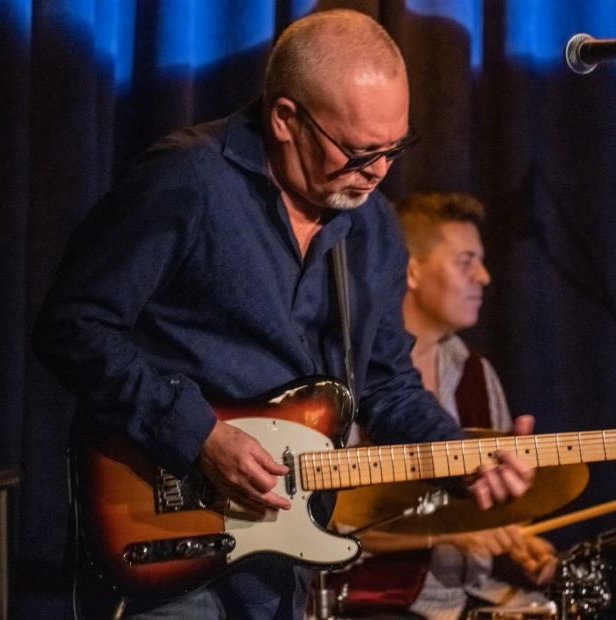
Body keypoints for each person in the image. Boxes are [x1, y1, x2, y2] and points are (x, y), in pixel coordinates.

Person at [31, 10, 534, 620]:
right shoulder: (188, 181)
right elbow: (73, 326)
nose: (379, 170)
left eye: (395, 147)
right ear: (286, 118)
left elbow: (385, 383)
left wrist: (463, 456)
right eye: (358, 150)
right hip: (159, 536)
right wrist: (200, 435)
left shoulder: (372, 230)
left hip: (278, 560)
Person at [341, 192, 557, 619]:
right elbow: (328, 524)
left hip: (469, 600)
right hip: (370, 605)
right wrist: (450, 536)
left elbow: (487, 516)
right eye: (465, 261)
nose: (484, 276)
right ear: (412, 272)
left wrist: (517, 539)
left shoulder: (477, 372)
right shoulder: (347, 377)